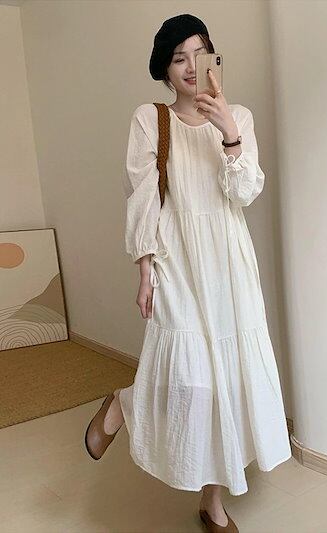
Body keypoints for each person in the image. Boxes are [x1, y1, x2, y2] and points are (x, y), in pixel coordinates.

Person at [85, 13, 292, 533]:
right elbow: (142, 200)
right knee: (191, 381)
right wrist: (144, 269)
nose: (191, 67)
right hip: (176, 260)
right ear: (165, 68)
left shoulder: (238, 116)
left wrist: (227, 131)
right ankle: (125, 404)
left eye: (199, 55)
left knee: (227, 385)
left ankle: (212, 502)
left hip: (229, 265)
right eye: (179, 58)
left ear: (214, 59)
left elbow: (244, 193)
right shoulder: (149, 119)